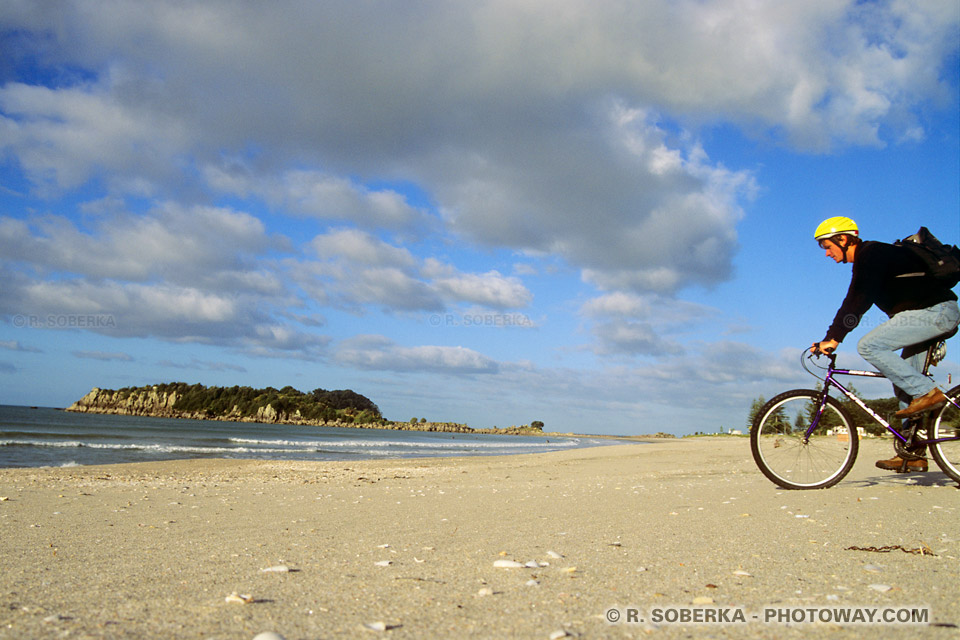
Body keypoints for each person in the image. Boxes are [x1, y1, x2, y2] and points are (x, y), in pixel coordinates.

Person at [811, 216, 960, 473]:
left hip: (936, 313)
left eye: (827, 246)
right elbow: (857, 300)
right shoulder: (871, 259)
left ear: (843, 239)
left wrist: (833, 338)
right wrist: (831, 336)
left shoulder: (871, 254)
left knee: (868, 346)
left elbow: (857, 300)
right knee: (905, 386)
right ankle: (912, 453)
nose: (826, 254)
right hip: (926, 316)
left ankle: (930, 392)